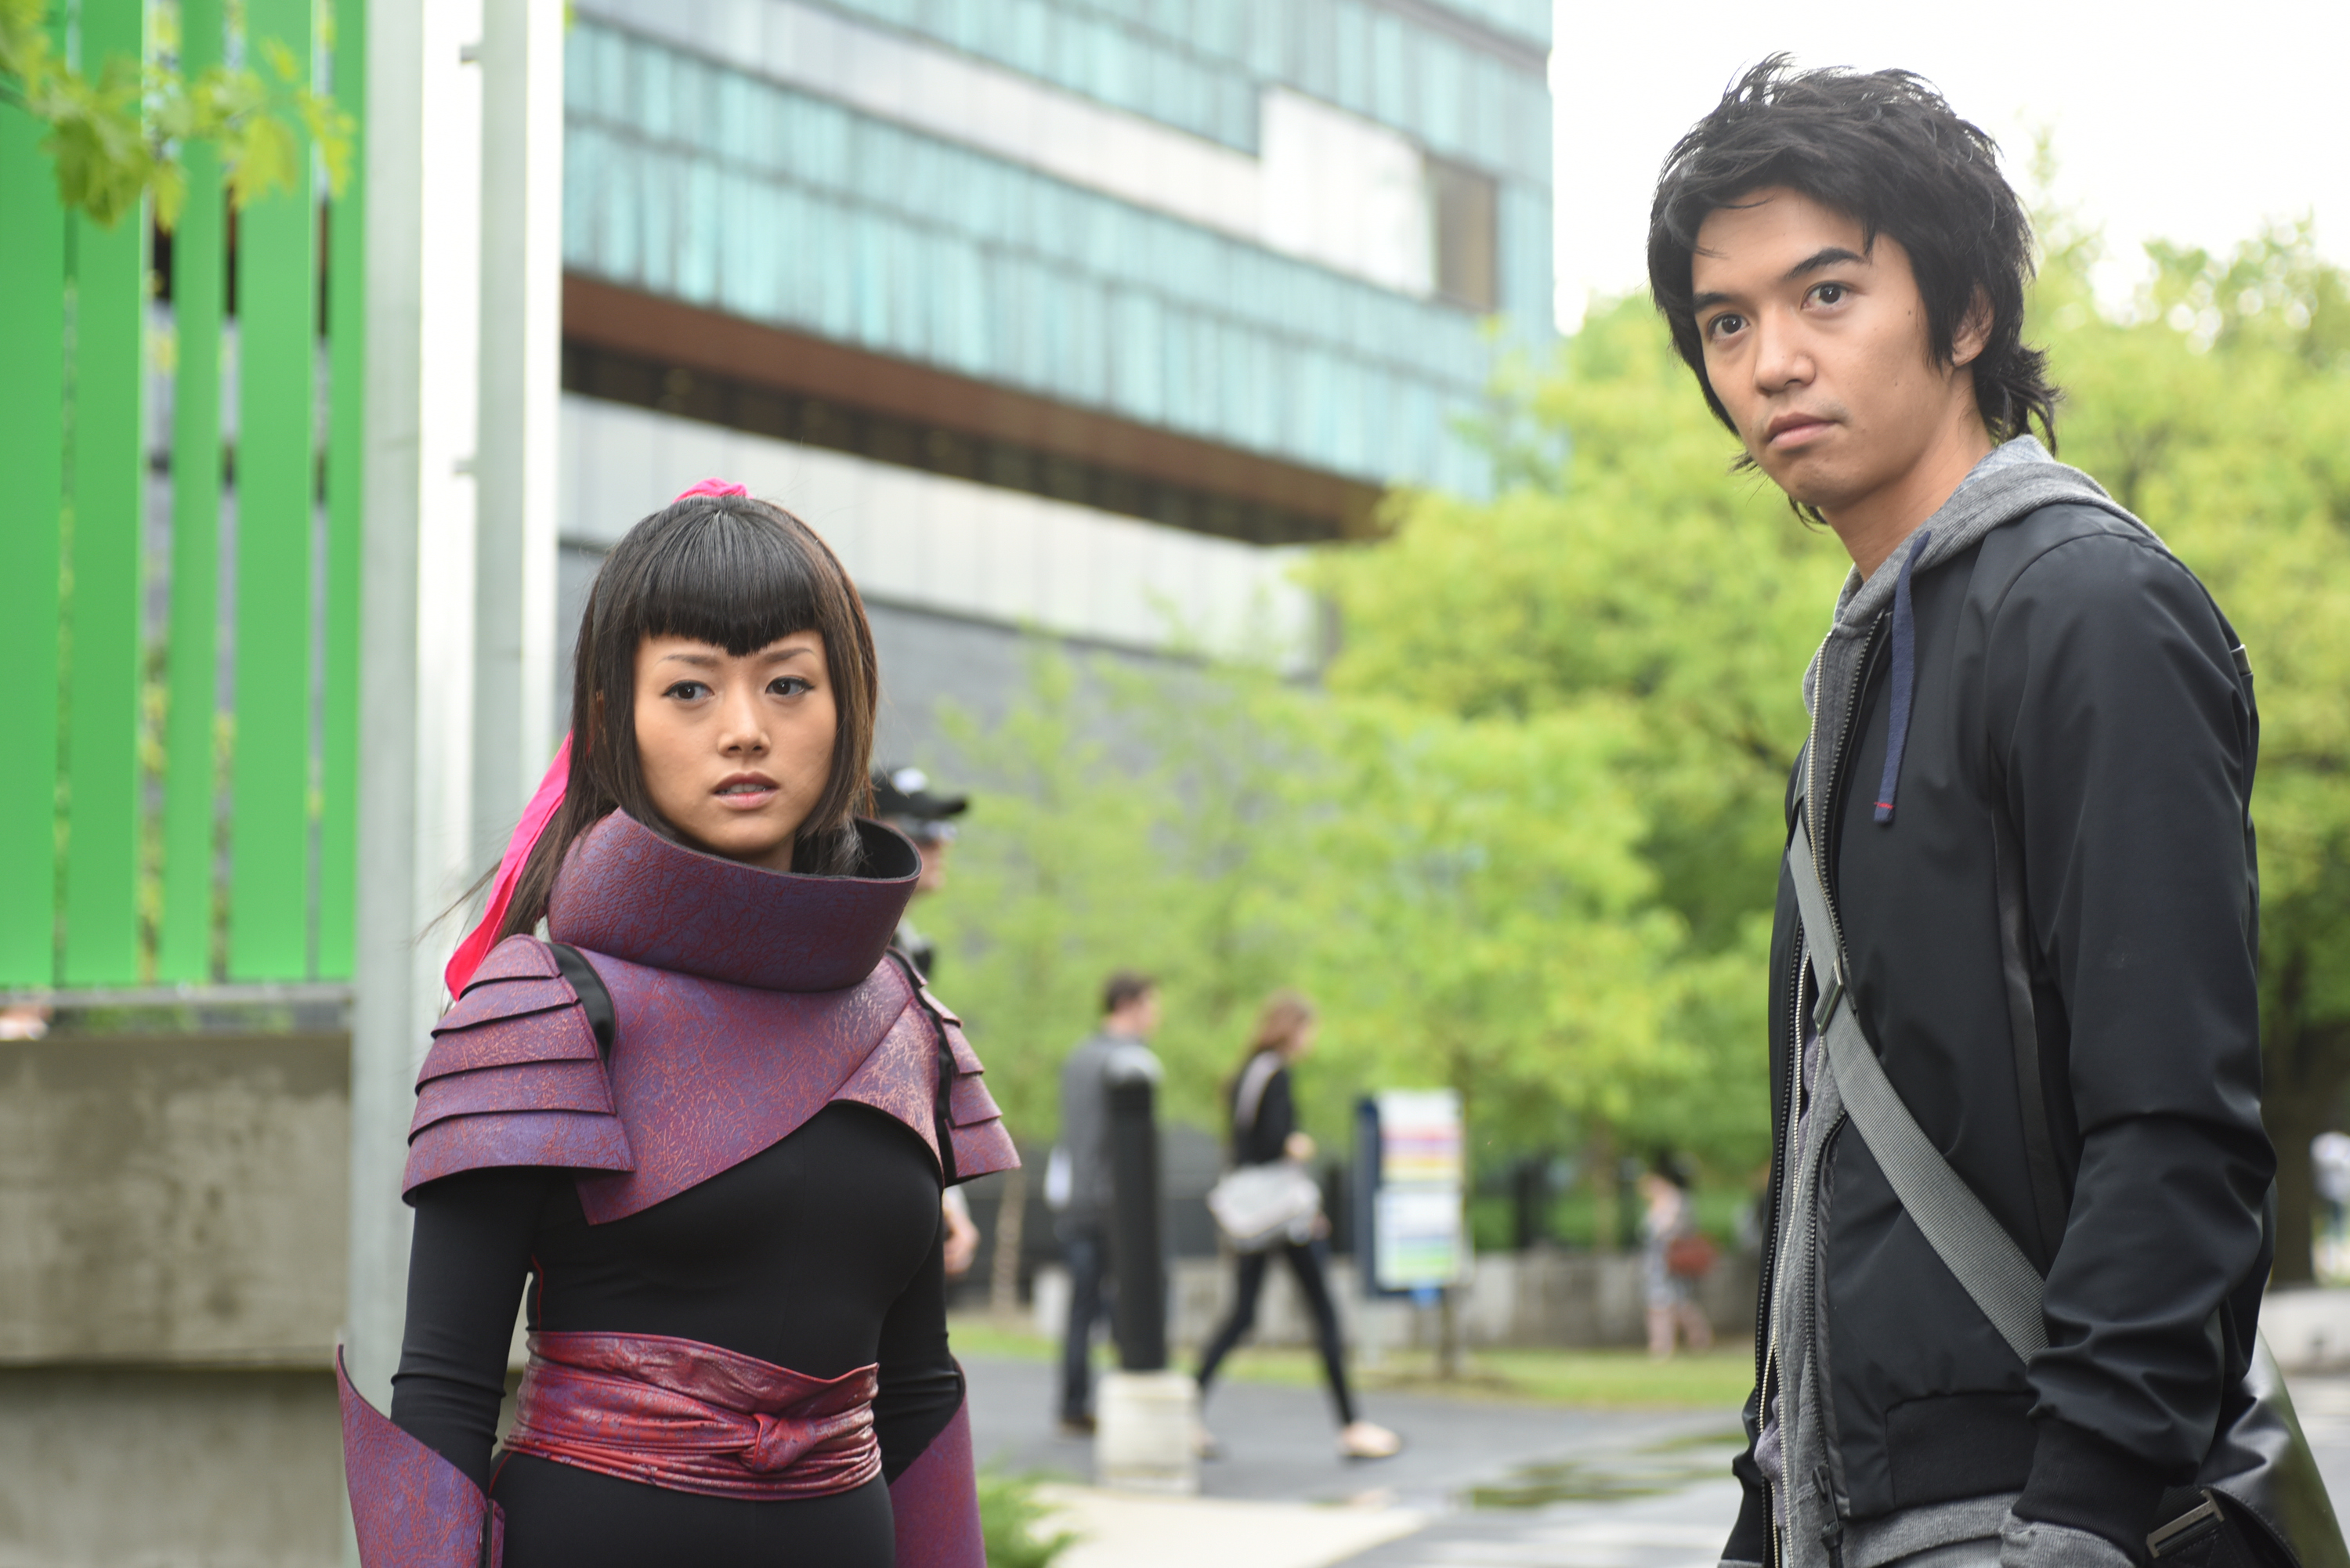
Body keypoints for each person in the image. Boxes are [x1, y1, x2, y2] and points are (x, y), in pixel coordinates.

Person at [1648, 61, 2280, 1568]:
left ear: (1969, 312)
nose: (1772, 361)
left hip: (2028, 1512)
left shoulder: (2087, 608)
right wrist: (1766, 1502)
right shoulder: (1864, 659)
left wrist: (2084, 1508)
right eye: (1726, 323)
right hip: (1853, 1509)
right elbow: (1836, 1140)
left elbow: (2175, 1114)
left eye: (1827, 294)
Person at [335, 480, 1018, 1568]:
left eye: (788, 683)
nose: (745, 729)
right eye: (690, 688)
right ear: (617, 718)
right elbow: (446, 1390)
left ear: (847, 706)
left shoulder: (906, 1024)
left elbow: (921, 1391)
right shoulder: (541, 1009)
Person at [1195, 991, 1399, 1461]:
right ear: (1295, 1028)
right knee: (1323, 1313)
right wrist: (1296, 1145)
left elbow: (1242, 1144)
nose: (1312, 1039)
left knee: (1243, 1314)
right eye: (1310, 1029)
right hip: (1283, 1215)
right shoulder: (1277, 1074)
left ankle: (1185, 1409)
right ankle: (1351, 1425)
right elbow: (1270, 1143)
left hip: (1255, 1212)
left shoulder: (1247, 1073)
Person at [872, 764, 981, 1277]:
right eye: (921, 830)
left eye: (945, 830)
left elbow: (920, 1084)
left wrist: (949, 1199)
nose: (940, 844)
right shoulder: (845, 944)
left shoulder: (907, 944)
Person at [1052, 970, 1162, 1435]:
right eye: (1153, 1004)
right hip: (1118, 1204)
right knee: (1133, 1305)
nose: (1157, 1015)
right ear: (1130, 1004)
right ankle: (1133, 1399)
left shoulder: (1078, 1057)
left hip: (1076, 1197)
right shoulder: (1131, 1061)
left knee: (1082, 1309)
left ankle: (1073, 1405)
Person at [1637, 1156, 1712, 1360]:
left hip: (1673, 1262)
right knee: (1661, 1304)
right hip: (1657, 1264)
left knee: (1679, 1303)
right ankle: (1662, 1345)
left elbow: (1675, 1231)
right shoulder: (1657, 1203)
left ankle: (1696, 1339)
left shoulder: (1677, 1201)